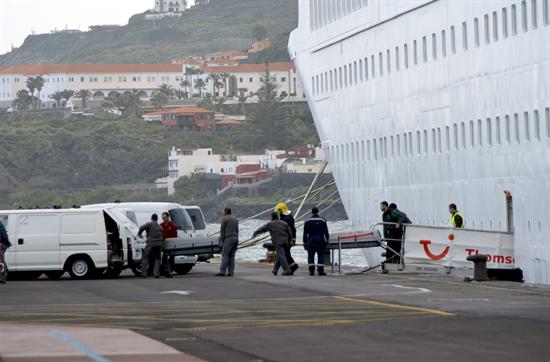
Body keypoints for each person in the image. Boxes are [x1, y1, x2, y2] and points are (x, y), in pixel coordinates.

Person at [303, 207, 330, 276]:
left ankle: (311, 271)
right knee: (320, 255)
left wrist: (304, 241)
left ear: (311, 212)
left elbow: (305, 232)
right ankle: (320, 271)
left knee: (310, 255)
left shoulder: (307, 221)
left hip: (310, 239)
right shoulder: (322, 220)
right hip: (320, 239)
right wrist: (327, 239)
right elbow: (326, 231)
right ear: (318, 212)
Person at [275, 202, 299, 275]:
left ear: (281, 211)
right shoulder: (287, 217)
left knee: (285, 254)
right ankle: (290, 268)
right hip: (287, 238)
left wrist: (292, 239)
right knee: (286, 254)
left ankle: (293, 266)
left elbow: (291, 229)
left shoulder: (286, 218)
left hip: (288, 239)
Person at [138, 214, 163, 278]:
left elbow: (141, 227)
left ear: (151, 218)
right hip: (159, 244)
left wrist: (139, 234)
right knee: (157, 258)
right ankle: (156, 274)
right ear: (157, 219)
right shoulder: (160, 226)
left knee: (145, 257)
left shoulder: (149, 223)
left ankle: (144, 274)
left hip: (151, 243)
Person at [216, 208, 239, 277]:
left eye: (223, 211)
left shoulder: (224, 219)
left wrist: (221, 241)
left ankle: (222, 271)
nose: (223, 213)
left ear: (225, 212)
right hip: (235, 238)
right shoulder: (235, 219)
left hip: (228, 238)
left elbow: (222, 231)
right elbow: (237, 230)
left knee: (225, 255)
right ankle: (231, 272)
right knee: (232, 256)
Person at [160, 212, 177, 278]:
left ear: (168, 217)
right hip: (164, 244)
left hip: (171, 245)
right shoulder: (161, 225)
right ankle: (166, 271)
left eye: (165, 218)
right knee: (164, 258)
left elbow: (174, 237)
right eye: (162, 218)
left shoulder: (172, 225)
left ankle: (170, 270)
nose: (163, 219)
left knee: (171, 259)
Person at [0, 219, 11, 284]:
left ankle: (2, 278)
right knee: (2, 261)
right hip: (3, 243)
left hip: (1, 244)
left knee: (0, 262)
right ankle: (4, 275)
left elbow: (2, 235)